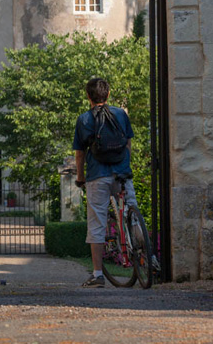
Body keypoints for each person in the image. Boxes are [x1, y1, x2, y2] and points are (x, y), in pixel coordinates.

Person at [73, 78, 136, 288]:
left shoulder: (84, 120)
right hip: (122, 173)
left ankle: (98, 275)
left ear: (88, 96)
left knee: (97, 224)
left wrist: (80, 177)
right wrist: (125, 165)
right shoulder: (121, 114)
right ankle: (147, 257)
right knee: (132, 214)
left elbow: (80, 154)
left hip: (97, 175)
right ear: (108, 94)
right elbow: (128, 143)